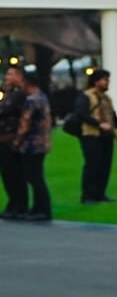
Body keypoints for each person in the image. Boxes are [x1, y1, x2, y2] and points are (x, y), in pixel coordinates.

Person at [74, 68, 117, 204]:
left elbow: (112, 114)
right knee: (92, 165)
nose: (107, 83)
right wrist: (98, 124)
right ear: (96, 82)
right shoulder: (86, 96)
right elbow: (81, 113)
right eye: (105, 80)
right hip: (91, 134)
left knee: (105, 165)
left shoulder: (106, 98)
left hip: (106, 136)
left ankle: (100, 193)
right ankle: (88, 195)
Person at [12, 66, 53, 222]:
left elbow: (25, 124)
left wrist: (17, 142)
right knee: (37, 177)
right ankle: (39, 208)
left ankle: (42, 208)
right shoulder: (42, 97)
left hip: (31, 144)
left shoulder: (31, 100)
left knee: (34, 178)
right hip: (42, 143)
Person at [0, 64, 26, 220]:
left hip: (11, 139)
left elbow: (4, 109)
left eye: (10, 75)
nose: (7, 78)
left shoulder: (19, 94)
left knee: (14, 173)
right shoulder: (9, 93)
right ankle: (14, 204)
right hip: (4, 138)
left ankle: (19, 205)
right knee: (8, 174)